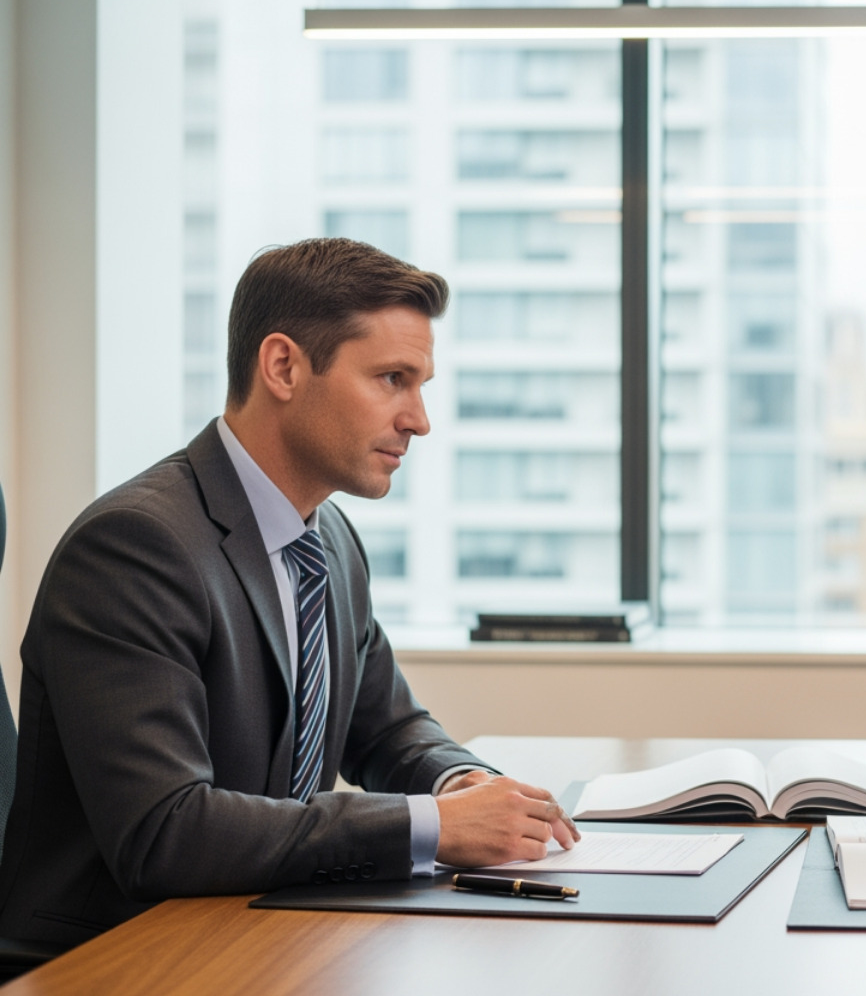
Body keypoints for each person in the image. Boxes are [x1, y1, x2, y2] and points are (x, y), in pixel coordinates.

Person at [0, 238, 578, 950]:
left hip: (257, 929)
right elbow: (165, 831)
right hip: (117, 954)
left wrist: (460, 783)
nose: (418, 419)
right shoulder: (134, 546)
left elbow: (388, 730)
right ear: (282, 367)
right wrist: (430, 827)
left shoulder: (327, 538)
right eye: (392, 379)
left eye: (420, 384)